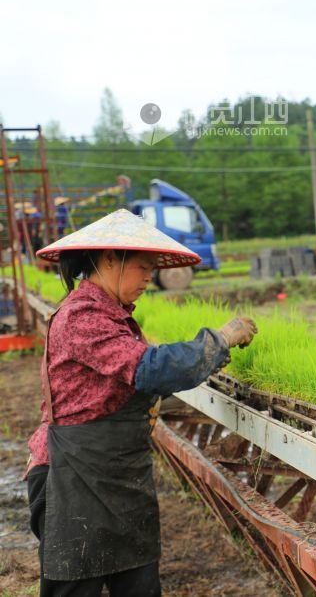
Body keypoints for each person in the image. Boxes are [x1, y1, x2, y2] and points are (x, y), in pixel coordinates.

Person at [23, 209, 258, 597]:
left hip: (117, 474)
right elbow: (150, 370)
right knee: (74, 587)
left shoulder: (115, 318)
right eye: (143, 267)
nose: (150, 277)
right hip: (73, 478)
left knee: (139, 583)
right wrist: (219, 340)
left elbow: (140, 383)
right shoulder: (83, 316)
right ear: (110, 260)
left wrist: (203, 362)